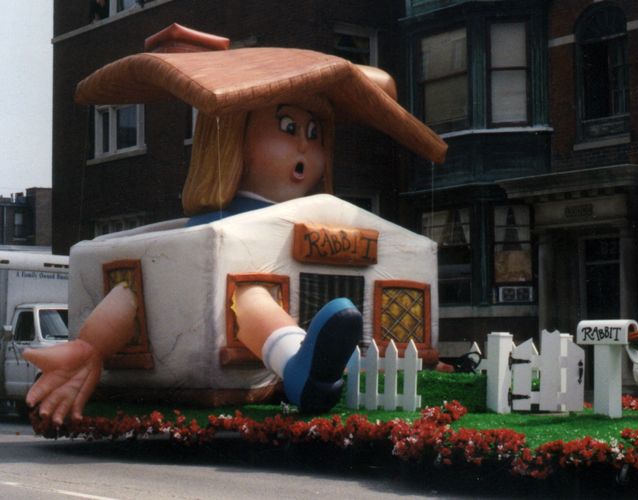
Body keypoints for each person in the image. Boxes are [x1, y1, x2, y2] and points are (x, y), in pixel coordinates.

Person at [22, 25, 447, 426]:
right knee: (248, 294)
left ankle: (333, 361)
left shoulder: (329, 215)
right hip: (215, 324)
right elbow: (128, 297)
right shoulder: (213, 231)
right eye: (288, 127)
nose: (304, 143)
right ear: (232, 139)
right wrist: (91, 348)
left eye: (315, 132)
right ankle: (298, 366)